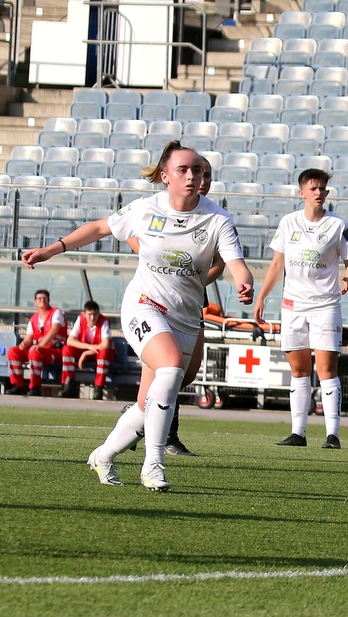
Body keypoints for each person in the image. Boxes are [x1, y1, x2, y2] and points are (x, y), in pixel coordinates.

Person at [22, 141, 254, 491]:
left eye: (198, 171)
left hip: (185, 317)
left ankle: (103, 455)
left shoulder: (217, 219)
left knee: (152, 402)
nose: (193, 176)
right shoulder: (146, 209)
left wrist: (244, 282)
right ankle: (153, 464)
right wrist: (52, 249)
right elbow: (101, 227)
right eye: (184, 170)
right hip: (144, 304)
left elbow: (235, 263)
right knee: (171, 367)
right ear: (165, 176)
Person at [254, 168, 348, 449]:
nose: (319, 192)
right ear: (302, 192)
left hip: (325, 305)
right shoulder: (288, 223)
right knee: (299, 370)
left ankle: (332, 435)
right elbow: (277, 264)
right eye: (313, 188)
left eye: (323, 188)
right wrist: (262, 296)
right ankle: (298, 433)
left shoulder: (337, 225)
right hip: (292, 306)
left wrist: (347, 278)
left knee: (326, 369)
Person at [125, 156, 220, 456]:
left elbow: (221, 262)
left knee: (188, 372)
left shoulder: (214, 218)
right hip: (157, 298)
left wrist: (195, 277)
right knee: (168, 365)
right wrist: (163, 264)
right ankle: (165, 438)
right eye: (195, 172)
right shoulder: (159, 207)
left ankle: (138, 416)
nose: (200, 179)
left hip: (192, 296)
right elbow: (131, 234)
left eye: (206, 174)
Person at [6, 289, 66, 396]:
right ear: (35, 302)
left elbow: (54, 329)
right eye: (39, 298)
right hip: (39, 350)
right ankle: (17, 385)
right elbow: (29, 337)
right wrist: (23, 344)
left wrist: (40, 345)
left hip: (54, 350)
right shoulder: (33, 318)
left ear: (49, 300)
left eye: (44, 298)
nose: (42, 300)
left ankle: (35, 387)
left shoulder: (56, 312)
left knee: (34, 352)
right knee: (13, 352)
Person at [59, 300, 115, 400]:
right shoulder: (80, 319)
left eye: (95, 314)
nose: (93, 318)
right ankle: (68, 384)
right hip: (90, 349)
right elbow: (70, 341)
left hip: (100, 353)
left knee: (104, 353)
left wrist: (86, 353)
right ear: (84, 314)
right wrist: (88, 347)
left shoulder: (104, 321)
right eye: (90, 314)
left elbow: (105, 345)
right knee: (67, 349)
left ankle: (99, 388)